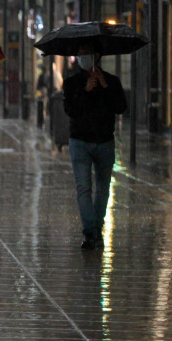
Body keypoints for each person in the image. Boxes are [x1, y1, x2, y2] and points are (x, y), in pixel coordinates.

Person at [62, 43, 126, 250]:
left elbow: (120, 107)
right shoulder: (72, 83)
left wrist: (104, 86)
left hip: (105, 141)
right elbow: (70, 110)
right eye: (79, 55)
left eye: (86, 54)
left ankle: (97, 227)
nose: (83, 58)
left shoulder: (112, 81)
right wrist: (85, 90)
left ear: (96, 56)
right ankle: (90, 231)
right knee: (84, 188)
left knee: (103, 189)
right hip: (80, 142)